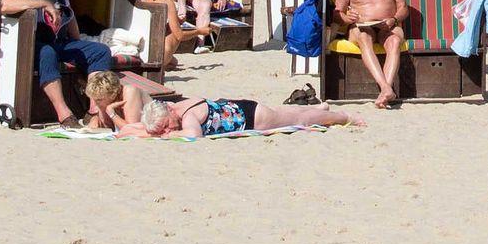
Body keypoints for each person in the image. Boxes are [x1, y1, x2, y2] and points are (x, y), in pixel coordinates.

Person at [0, 0, 115, 125]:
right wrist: (43, 3)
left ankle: (94, 110)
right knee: (48, 53)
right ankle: (64, 114)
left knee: (100, 51)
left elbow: (69, 15)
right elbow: (6, 5)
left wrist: (79, 43)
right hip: (31, 43)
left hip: (58, 41)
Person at [332, 0, 407, 107]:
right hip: (360, 26)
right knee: (364, 37)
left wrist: (394, 19)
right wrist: (347, 18)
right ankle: (386, 88)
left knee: (395, 41)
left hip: (388, 24)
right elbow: (337, 14)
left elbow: (403, 8)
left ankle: (385, 91)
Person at [137, 94, 361, 137]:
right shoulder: (177, 106)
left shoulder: (187, 117)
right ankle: (321, 109)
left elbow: (194, 135)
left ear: (169, 113)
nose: (168, 130)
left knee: (298, 120)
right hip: (244, 108)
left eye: (166, 125)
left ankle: (342, 117)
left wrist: (169, 136)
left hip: (252, 119)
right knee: (288, 113)